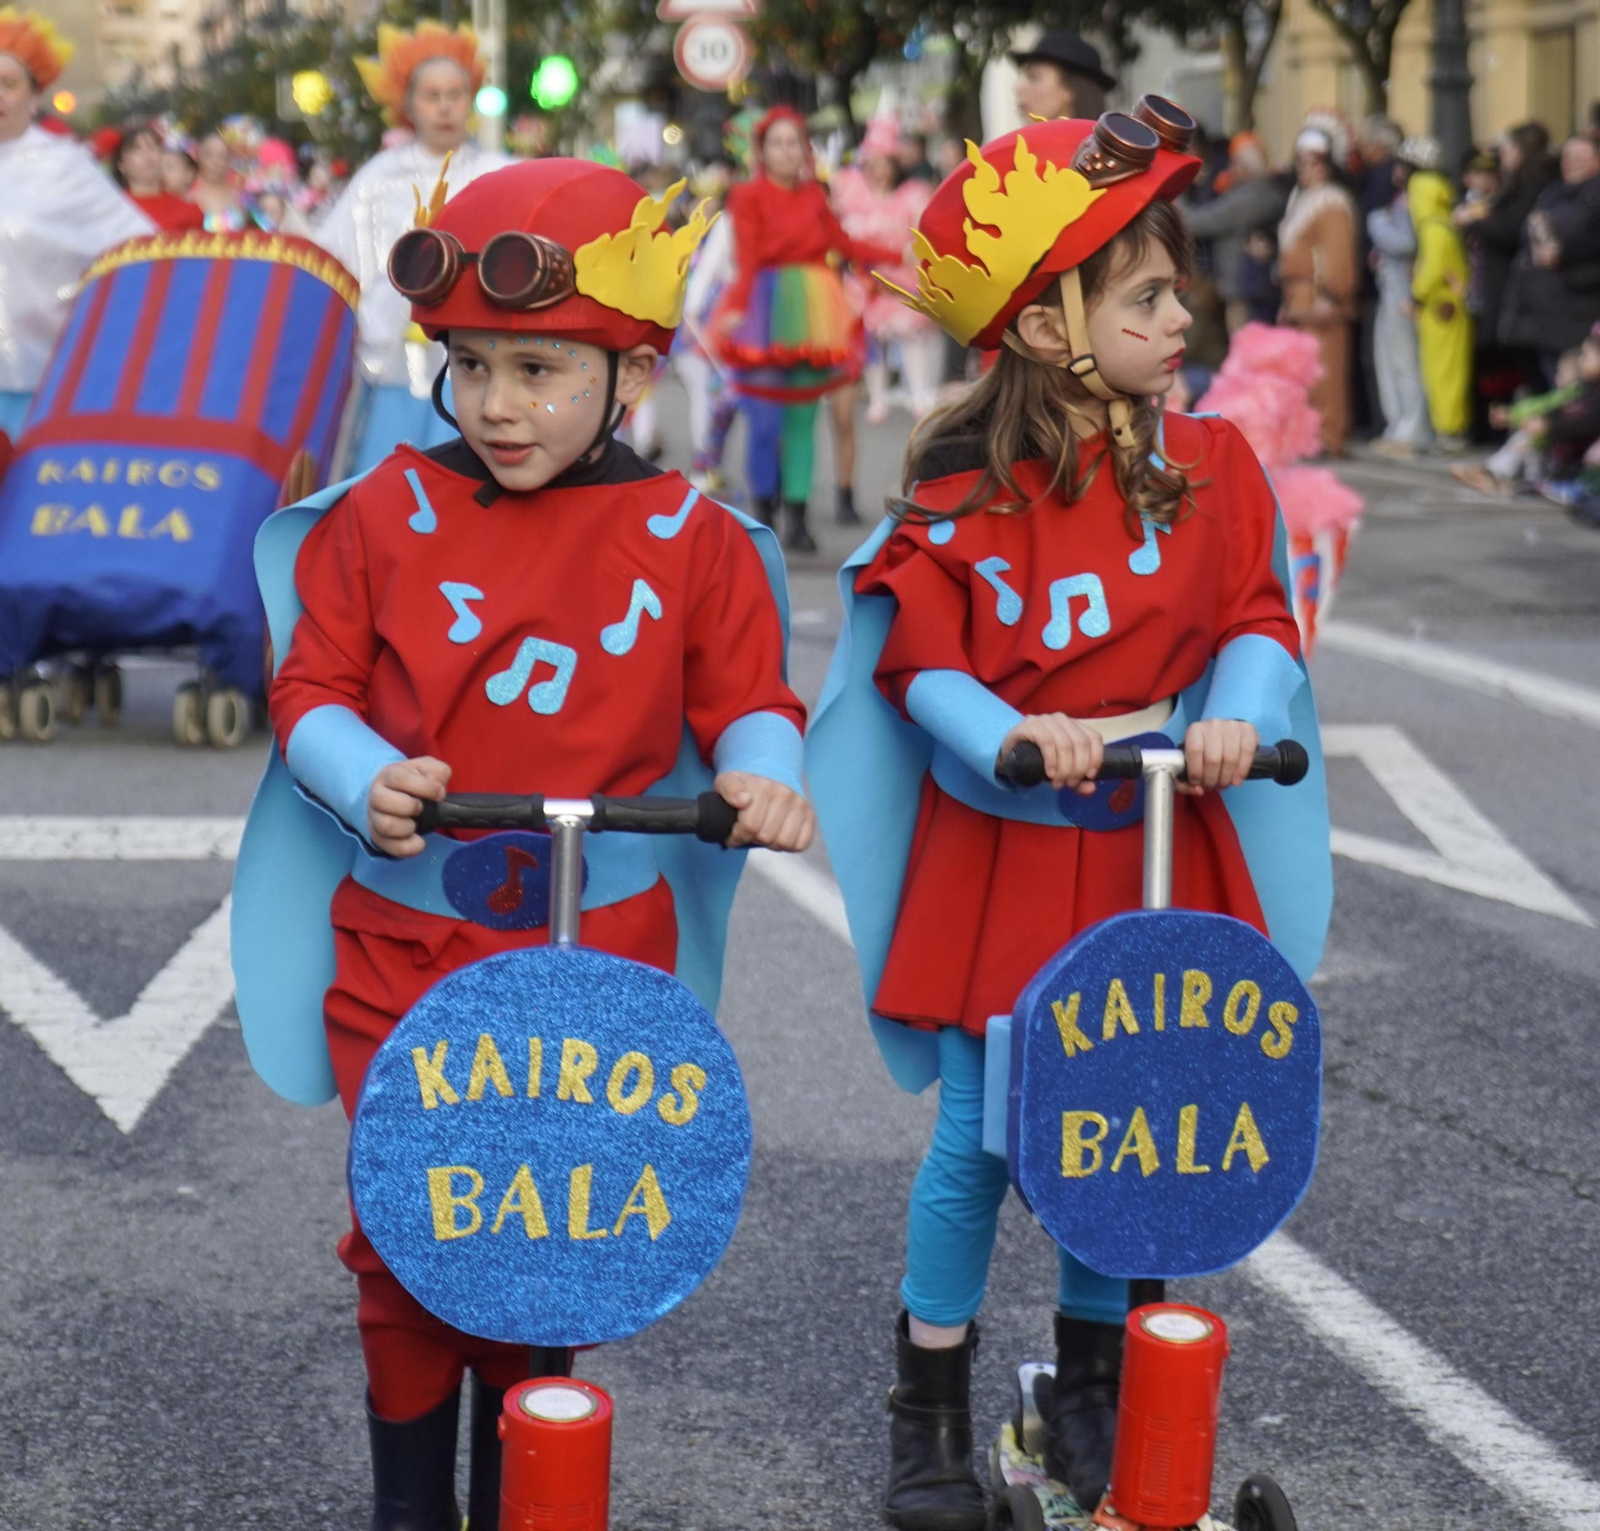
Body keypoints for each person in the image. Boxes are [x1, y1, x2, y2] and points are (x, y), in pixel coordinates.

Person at [234, 157, 814, 1530]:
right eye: (475, 365)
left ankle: (525, 1497)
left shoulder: (694, 536)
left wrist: (766, 777)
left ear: (630, 376)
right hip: (407, 937)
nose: (498, 404)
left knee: (559, 1234)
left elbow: (751, 699)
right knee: (409, 1225)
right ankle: (406, 1509)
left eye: (541, 369)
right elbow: (308, 684)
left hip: (596, 940)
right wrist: (362, 770)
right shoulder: (381, 510)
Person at [807, 104, 1329, 1531]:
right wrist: (1010, 733)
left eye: (1174, 288)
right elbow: (916, 657)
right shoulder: (967, 483)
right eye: (1146, 293)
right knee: (981, 1134)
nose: (1181, 314)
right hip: (1016, 846)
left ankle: (1092, 1398)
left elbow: (1259, 614)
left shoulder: (1216, 463)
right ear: (1048, 328)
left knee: (1133, 1115)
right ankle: (929, 1405)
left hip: (1160, 836)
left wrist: (1240, 705)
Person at [316, 21, 511, 475]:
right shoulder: (376, 179)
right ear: (407, 104)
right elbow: (330, 260)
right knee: (391, 487)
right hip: (394, 367)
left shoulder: (500, 173)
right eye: (431, 95)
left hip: (484, 363)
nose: (444, 106)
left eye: (455, 93)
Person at [713, 106, 899, 552]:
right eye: (776, 143)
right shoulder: (747, 195)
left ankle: (795, 518)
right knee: (762, 422)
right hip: (764, 309)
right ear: (761, 150)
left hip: (816, 311)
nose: (786, 151)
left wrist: (898, 256)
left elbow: (841, 244)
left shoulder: (816, 195)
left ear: (805, 149)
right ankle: (762, 513)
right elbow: (749, 258)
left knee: (802, 420)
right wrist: (736, 310)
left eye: (793, 142)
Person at [0, 8, 153, 436]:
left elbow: (144, 250)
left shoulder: (65, 167)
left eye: (9, 84)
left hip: (42, 384)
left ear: (35, 96)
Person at [1279, 121, 1359, 454]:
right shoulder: (1304, 198)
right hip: (1300, 295)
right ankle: (1310, 435)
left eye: (1312, 161)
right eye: (1301, 161)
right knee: (1305, 375)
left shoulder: (1332, 202)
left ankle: (1329, 435)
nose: (1305, 168)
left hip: (1319, 296)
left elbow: (1336, 252)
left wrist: (1331, 293)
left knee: (1326, 374)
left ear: (1326, 165)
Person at [1499, 134, 1600, 386]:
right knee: (1542, 389)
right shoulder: (1553, 192)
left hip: (1572, 319)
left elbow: (1576, 241)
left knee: (1567, 396)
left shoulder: (1593, 196)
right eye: (1567, 156)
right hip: (1539, 318)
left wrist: (1568, 270)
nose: (1571, 162)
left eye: (1579, 157)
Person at [1178, 132, 1287, 334]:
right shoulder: (1261, 191)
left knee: (1245, 350)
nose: (1230, 169)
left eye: (1235, 162)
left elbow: (1199, 222)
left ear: (1247, 166)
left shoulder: (1251, 196)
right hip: (1250, 288)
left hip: (1243, 290)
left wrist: (1176, 190)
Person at [1366, 138, 1432, 456]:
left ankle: (1412, 430)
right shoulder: (1401, 199)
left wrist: (1376, 226)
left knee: (1405, 362)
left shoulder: (1411, 201)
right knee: (1389, 361)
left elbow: (1406, 243)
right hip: (1391, 287)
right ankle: (1398, 426)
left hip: (1403, 292)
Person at [1408, 142, 1472, 449]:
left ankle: (1448, 431)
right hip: (1446, 307)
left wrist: (1416, 292)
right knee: (1444, 369)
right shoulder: (1444, 224)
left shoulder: (1433, 228)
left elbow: (1433, 269)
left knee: (1442, 371)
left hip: (1440, 308)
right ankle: (1447, 429)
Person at [1450, 345, 1581, 495]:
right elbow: (1541, 404)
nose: (1557, 378)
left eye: (1563, 375)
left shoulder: (1572, 396)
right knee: (1527, 437)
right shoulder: (1570, 396)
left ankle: (1494, 472)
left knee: (1527, 438)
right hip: (1550, 446)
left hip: (1559, 453)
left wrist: (1512, 414)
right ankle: (1495, 473)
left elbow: (1542, 406)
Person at [111, 121, 205, 232]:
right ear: (121, 165)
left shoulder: (189, 211)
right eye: (136, 149)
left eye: (152, 147)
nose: (147, 155)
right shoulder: (112, 213)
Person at [1009, 31, 1115, 123]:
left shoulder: (1108, 146)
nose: (1018, 88)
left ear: (1070, 89)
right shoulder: (1020, 145)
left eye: (1034, 77)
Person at [190, 129, 248, 230]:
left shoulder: (241, 195)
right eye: (209, 155)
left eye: (221, 156)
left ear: (228, 160)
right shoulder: (188, 196)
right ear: (198, 158)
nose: (215, 162)